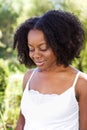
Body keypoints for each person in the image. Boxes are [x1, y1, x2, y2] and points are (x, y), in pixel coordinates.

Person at [13, 10, 87, 130]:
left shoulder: (81, 83)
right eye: (31, 49)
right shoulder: (28, 77)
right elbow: (21, 123)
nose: (36, 55)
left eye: (43, 48)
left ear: (60, 45)